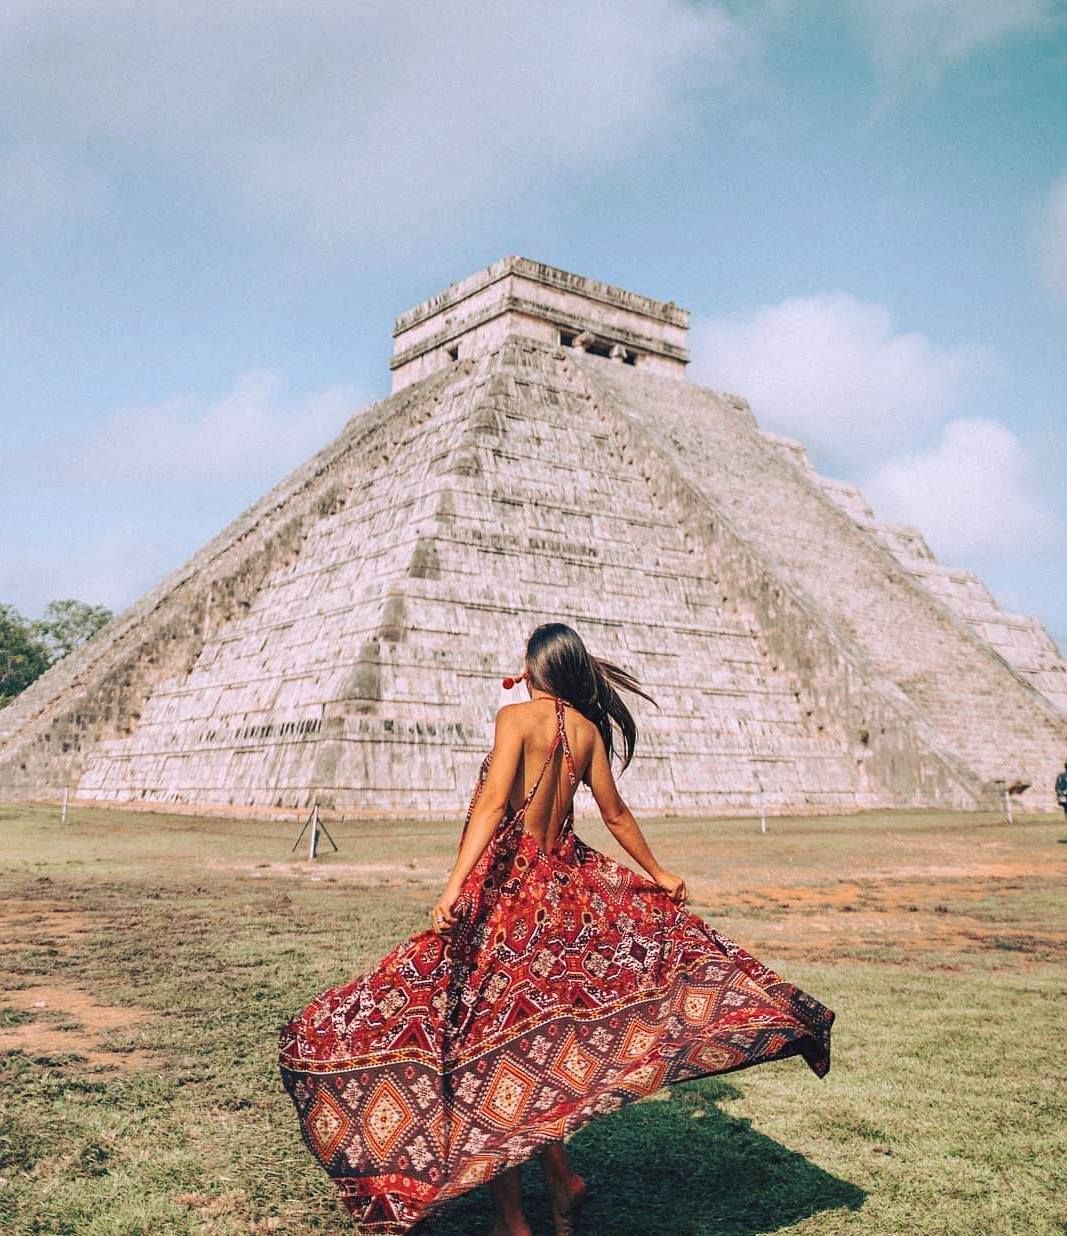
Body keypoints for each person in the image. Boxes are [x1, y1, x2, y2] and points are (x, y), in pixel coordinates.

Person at [279, 623, 834, 1235]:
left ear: (532, 668)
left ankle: (514, 1220)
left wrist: (452, 887)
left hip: (506, 899)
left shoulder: (515, 718)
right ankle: (560, 1183)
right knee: (521, 1049)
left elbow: (493, 807)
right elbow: (616, 815)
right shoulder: (588, 732)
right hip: (562, 900)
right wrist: (659, 872)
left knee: (481, 1052)